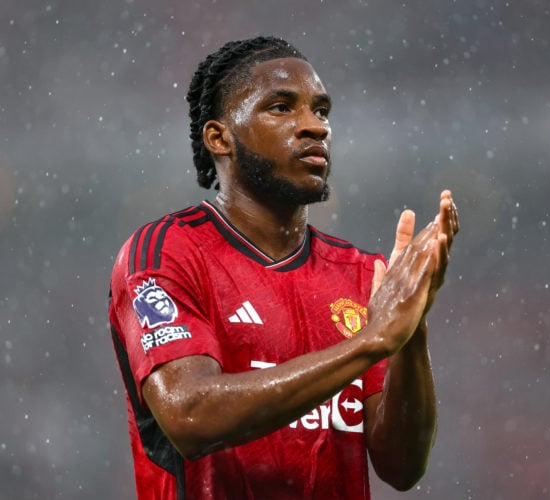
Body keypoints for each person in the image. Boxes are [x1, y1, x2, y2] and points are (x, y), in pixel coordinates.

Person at [108, 36, 459, 499]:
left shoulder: (362, 275)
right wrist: (372, 342)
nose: (314, 127)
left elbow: (401, 467)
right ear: (219, 138)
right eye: (281, 107)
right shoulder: (167, 252)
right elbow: (190, 416)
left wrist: (411, 332)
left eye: (321, 110)